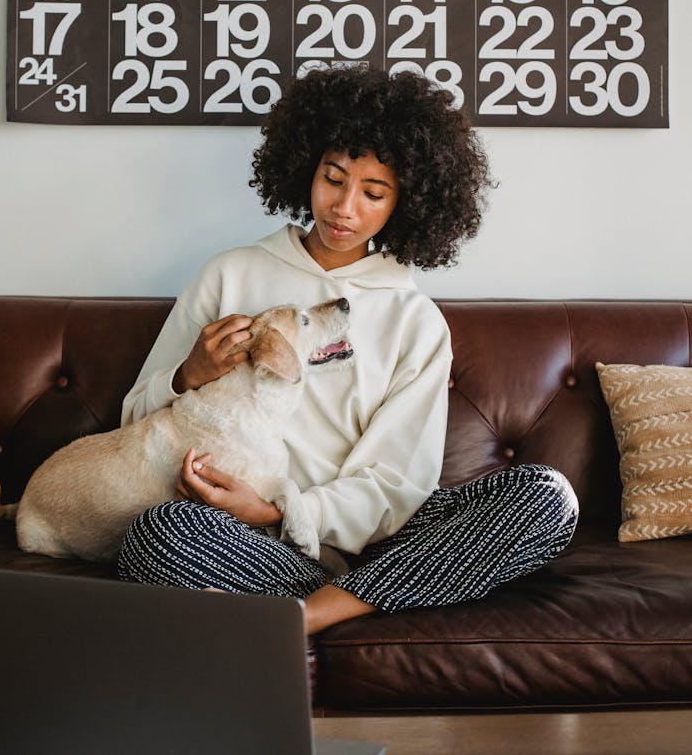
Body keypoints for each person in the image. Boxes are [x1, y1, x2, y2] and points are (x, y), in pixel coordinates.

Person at [118, 66, 578, 635]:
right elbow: (134, 423)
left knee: (545, 498)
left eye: (373, 192)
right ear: (305, 168)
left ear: (405, 203)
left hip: (377, 542)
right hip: (249, 542)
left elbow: (399, 485)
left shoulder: (415, 320)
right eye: (333, 179)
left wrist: (283, 510)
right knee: (157, 534)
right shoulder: (228, 275)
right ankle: (373, 595)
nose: (344, 207)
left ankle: (311, 614)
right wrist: (187, 374)